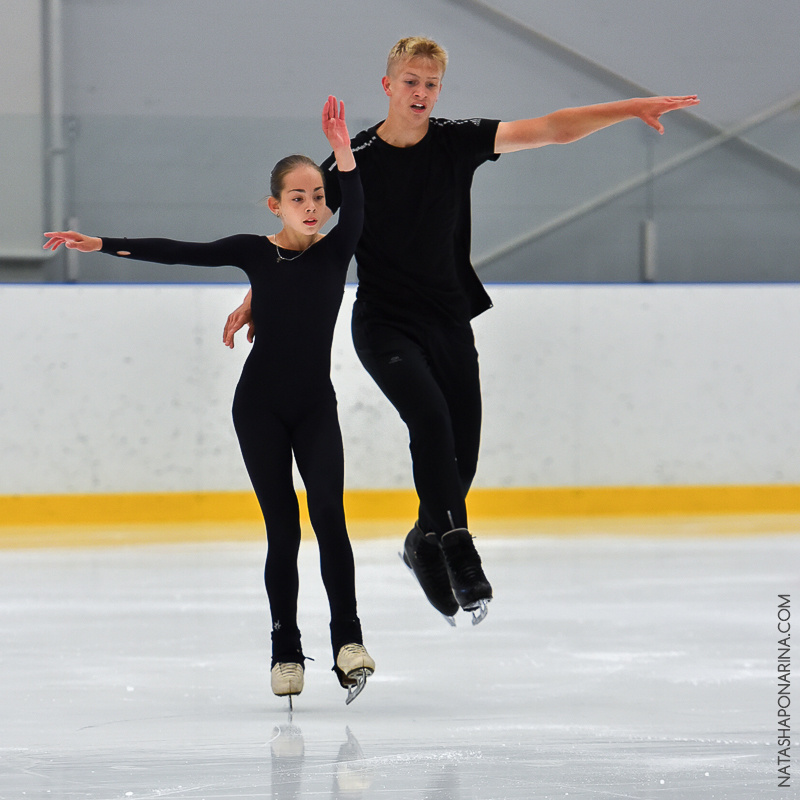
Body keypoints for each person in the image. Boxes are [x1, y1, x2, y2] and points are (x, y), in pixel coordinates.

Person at [223, 37, 700, 626]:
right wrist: (256, 294)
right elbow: (304, 233)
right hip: (384, 324)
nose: (421, 93)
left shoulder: (457, 139)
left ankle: (421, 541)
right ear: (388, 86)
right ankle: (456, 545)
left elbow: (552, 128)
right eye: (411, 82)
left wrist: (629, 109)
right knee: (429, 420)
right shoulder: (355, 159)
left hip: (449, 320)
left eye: (431, 84)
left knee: (461, 461)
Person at [43, 96, 375, 705]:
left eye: (318, 198)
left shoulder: (336, 249)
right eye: (297, 198)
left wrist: (345, 157)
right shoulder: (253, 251)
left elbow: (357, 207)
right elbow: (181, 250)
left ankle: (348, 640)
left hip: (314, 406)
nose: (310, 206)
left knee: (330, 515)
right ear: (275, 205)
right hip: (259, 408)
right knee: (283, 528)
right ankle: (284, 650)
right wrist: (100, 244)